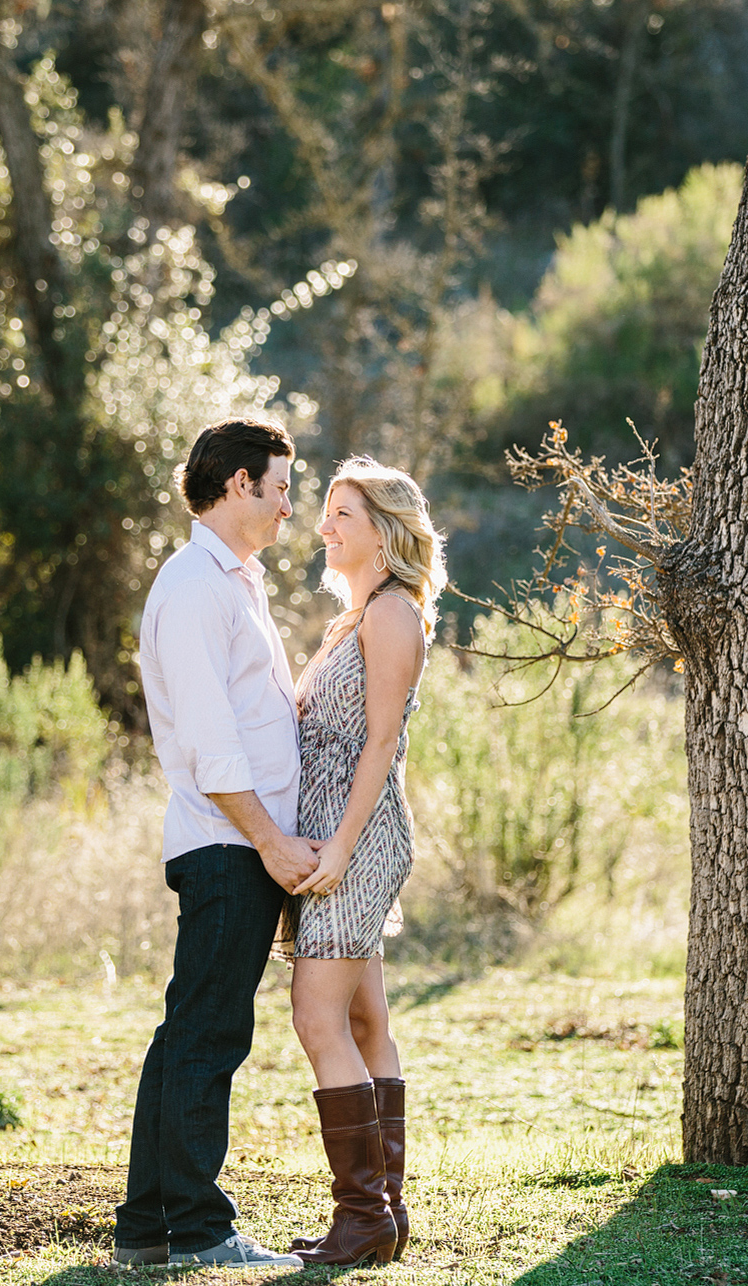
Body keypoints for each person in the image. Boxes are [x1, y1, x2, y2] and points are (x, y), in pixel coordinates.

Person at [113, 415, 319, 1270]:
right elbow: (209, 743)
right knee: (208, 1037)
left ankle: (148, 1230)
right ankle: (198, 1230)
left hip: (239, 845)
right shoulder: (196, 585)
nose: (287, 510)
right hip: (230, 846)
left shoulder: (236, 582)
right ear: (238, 484)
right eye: (278, 490)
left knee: (188, 1032)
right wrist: (271, 844)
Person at [282, 457, 446, 1267]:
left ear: (383, 531)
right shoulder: (354, 618)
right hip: (336, 839)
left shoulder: (391, 615)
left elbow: (381, 742)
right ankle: (384, 1209)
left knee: (316, 1017)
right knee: (362, 1019)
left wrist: (341, 849)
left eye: (341, 513)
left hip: (357, 841)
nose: (324, 526)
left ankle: (363, 1215)